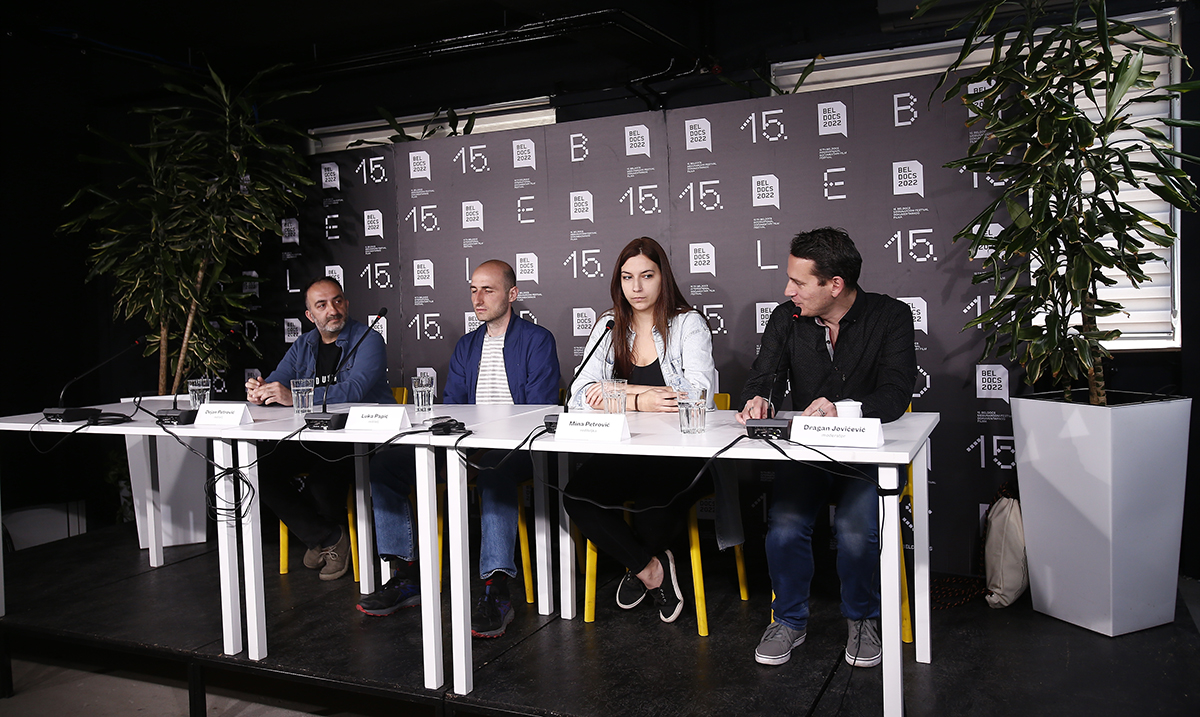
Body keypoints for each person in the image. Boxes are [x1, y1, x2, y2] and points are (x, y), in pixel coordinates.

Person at [736, 227, 916, 668]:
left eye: (798, 282)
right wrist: (758, 398)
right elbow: (765, 376)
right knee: (783, 528)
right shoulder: (787, 318)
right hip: (806, 455)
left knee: (855, 531)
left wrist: (845, 410)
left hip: (864, 457)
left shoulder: (890, 316)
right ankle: (789, 621)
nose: (788, 291)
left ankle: (862, 619)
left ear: (835, 284)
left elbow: (896, 392)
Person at [359, 260, 559, 640]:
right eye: (473, 290)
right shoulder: (467, 345)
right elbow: (452, 407)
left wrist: (478, 451)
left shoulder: (537, 340)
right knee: (385, 465)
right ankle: (406, 575)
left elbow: (539, 410)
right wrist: (457, 447)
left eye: (488, 290)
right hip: (464, 447)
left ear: (512, 294)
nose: (477, 298)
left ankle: (497, 591)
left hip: (517, 450)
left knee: (494, 471)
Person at [564, 237, 715, 624]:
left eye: (647, 276)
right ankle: (651, 569)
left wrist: (613, 392)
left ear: (663, 277)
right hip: (626, 450)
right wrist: (639, 398)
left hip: (681, 456)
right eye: (627, 277)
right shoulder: (610, 324)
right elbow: (578, 394)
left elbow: (698, 393)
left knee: (650, 513)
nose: (637, 287)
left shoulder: (688, 323)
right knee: (578, 496)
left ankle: (638, 565)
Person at [245, 276, 395, 581]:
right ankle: (327, 537)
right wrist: (261, 390)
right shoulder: (303, 345)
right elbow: (278, 380)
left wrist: (296, 396)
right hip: (317, 437)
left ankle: (325, 540)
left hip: (363, 438)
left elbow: (355, 390)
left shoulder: (368, 339)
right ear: (310, 315)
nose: (333, 310)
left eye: (337, 301)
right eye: (322, 305)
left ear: (347, 303)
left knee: (322, 483)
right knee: (258, 469)